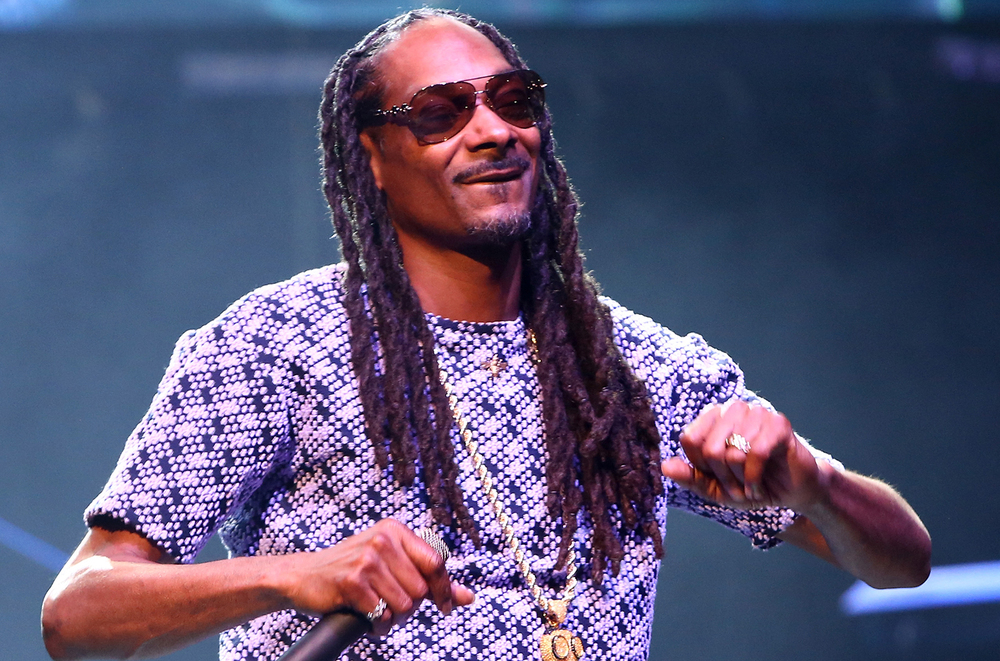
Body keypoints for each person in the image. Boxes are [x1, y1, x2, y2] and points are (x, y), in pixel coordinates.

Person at [41, 8, 931, 661]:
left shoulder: (634, 367)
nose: (494, 130)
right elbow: (77, 615)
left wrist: (816, 485)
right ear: (371, 158)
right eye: (442, 112)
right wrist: (291, 574)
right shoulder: (275, 345)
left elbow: (903, 561)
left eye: (514, 99)